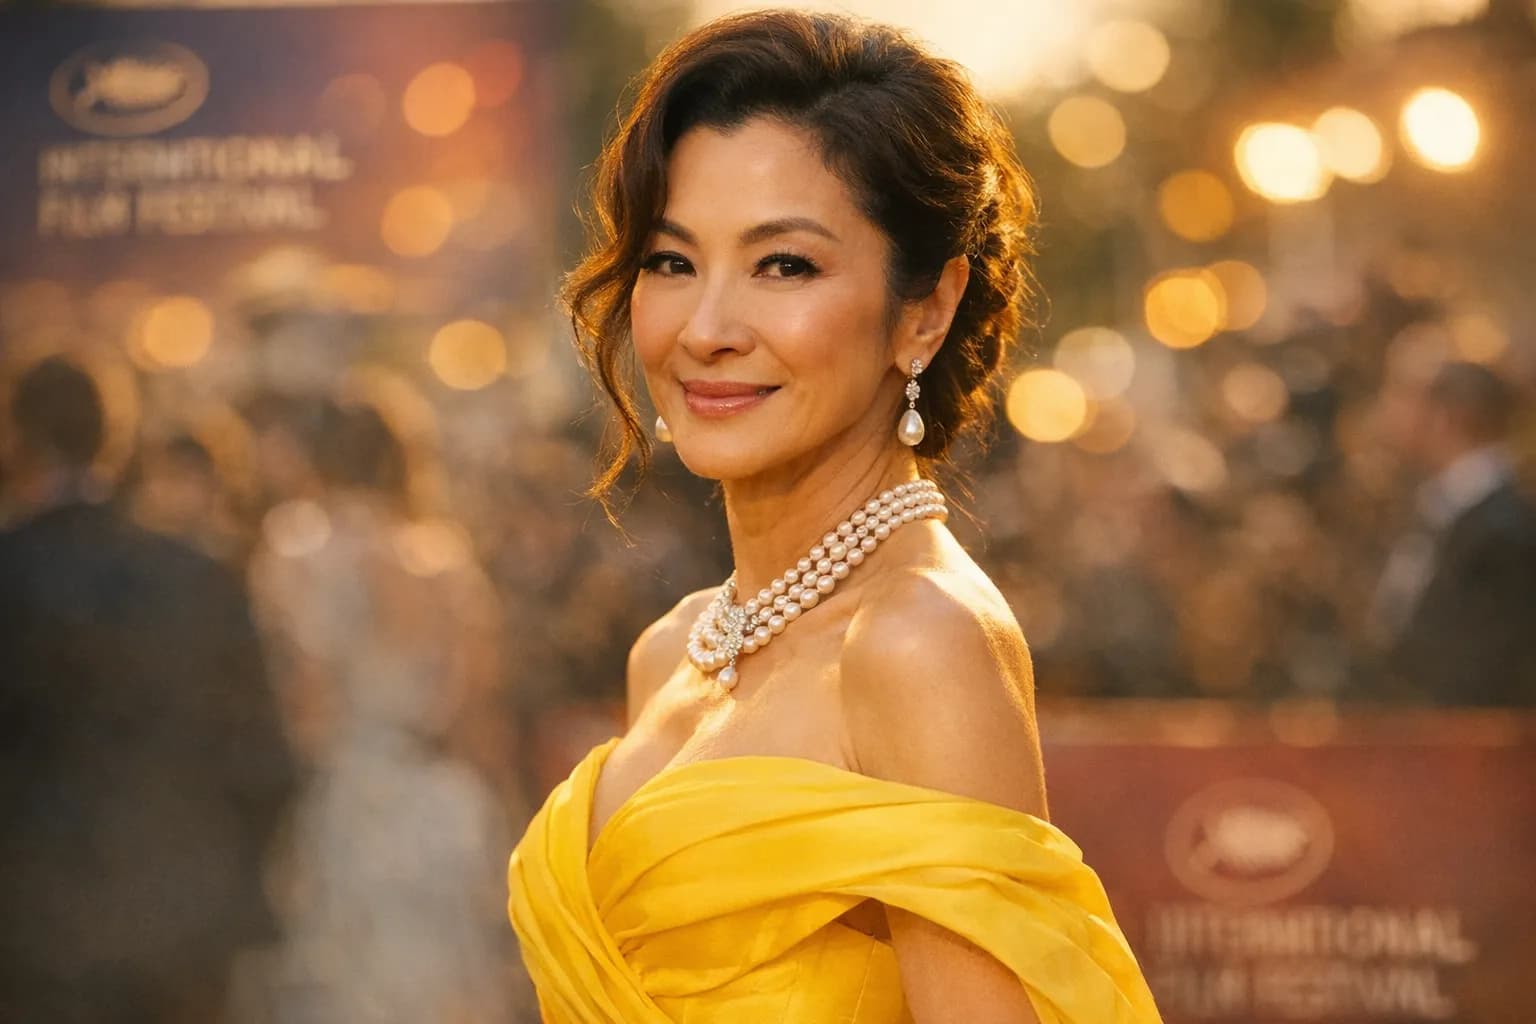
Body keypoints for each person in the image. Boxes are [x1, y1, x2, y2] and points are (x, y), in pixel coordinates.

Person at [506, 12, 1161, 1023]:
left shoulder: (917, 644)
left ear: (925, 313)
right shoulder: (672, 649)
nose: (708, 330)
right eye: (673, 262)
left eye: (785, 266)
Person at [0, 356, 297, 1024]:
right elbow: (266, 759)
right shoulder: (198, 576)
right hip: (183, 922)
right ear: (115, 436)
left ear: (16, 434)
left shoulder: (10, 572)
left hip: (33, 935)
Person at [249, 391, 526, 1023]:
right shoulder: (441, 555)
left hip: (347, 802)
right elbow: (479, 708)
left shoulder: (297, 544)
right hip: (443, 805)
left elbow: (304, 698)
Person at [1371, 359, 1536, 705]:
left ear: (1445, 417)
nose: (1387, 415)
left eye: (1404, 400)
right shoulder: (1436, 507)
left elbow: (1488, 667)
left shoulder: (1506, 528)